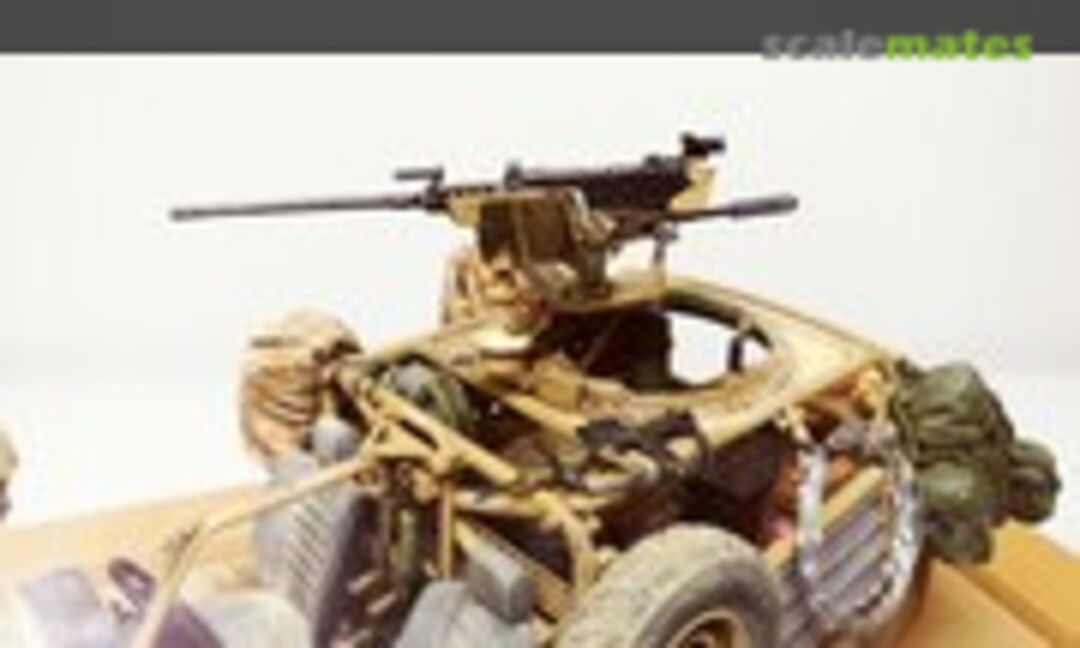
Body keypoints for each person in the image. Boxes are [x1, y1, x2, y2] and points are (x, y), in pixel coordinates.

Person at [0, 424, 17, 522]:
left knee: (2, 493)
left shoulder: (3, 435)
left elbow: (14, 457)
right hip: (4, 473)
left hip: (4, 473)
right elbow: (14, 458)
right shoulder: (4, 435)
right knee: (2, 493)